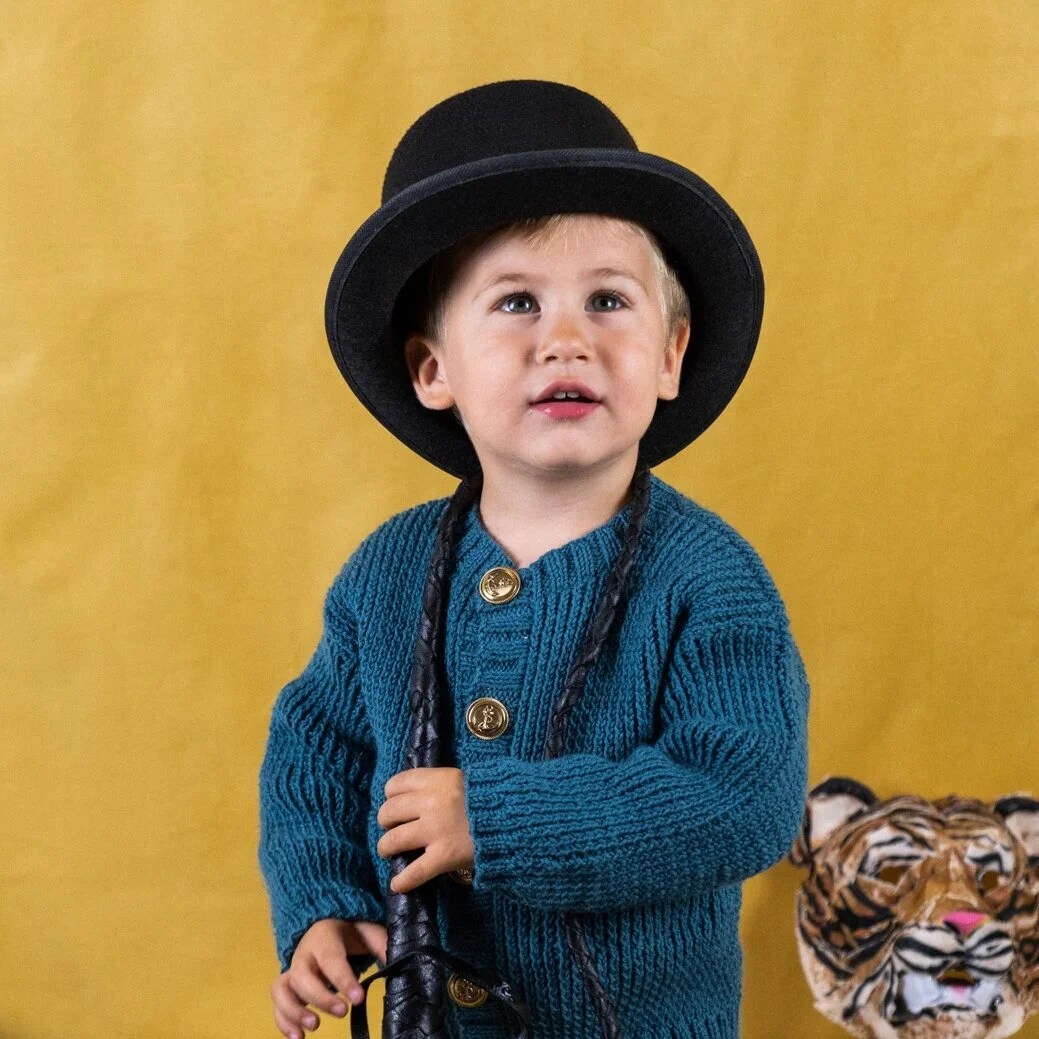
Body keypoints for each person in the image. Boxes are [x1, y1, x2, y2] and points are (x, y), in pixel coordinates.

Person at [258, 79, 811, 1039]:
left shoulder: (705, 578)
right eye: (516, 301)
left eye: (607, 300)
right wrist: (322, 901)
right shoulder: (386, 576)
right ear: (433, 369)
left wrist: (499, 821)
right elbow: (317, 751)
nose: (566, 338)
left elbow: (746, 794)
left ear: (670, 356)